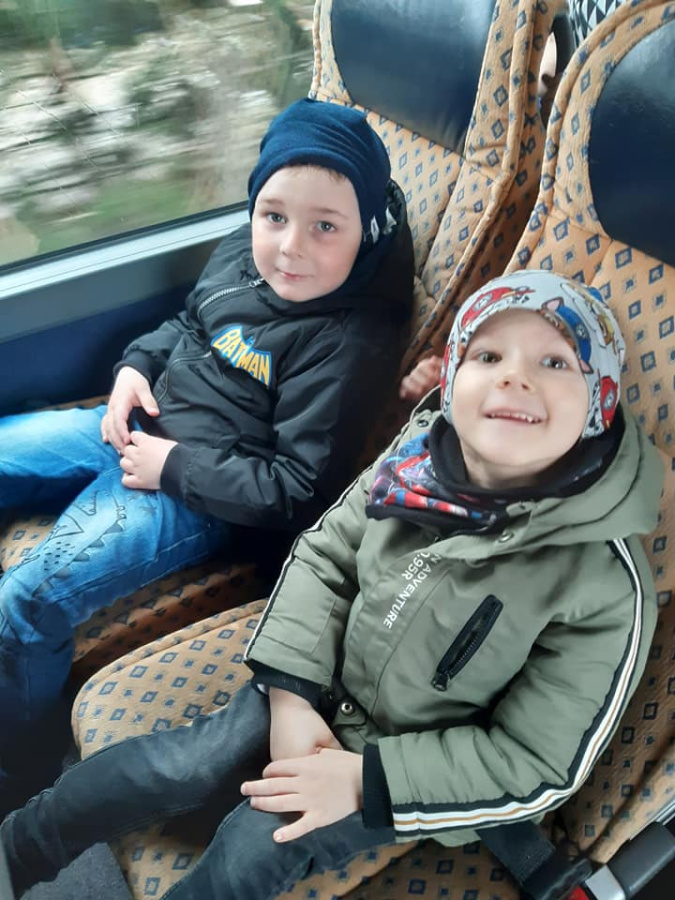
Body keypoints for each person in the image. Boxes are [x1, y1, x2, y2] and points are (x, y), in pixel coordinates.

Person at [1, 270, 663, 899]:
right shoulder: (417, 458)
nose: (513, 377)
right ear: (452, 380)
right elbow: (325, 556)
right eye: (487, 356)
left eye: (554, 362)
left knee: (256, 845)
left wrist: (363, 780)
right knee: (181, 765)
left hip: (406, 763)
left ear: (599, 402)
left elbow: (535, 763)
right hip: (318, 677)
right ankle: (17, 849)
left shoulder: (602, 584)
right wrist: (292, 695)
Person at [0, 97, 414, 809]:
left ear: (365, 230)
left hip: (195, 489)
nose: (290, 247)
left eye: (324, 227)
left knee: (33, 596)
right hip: (135, 418)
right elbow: (187, 325)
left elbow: (298, 488)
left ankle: (21, 762)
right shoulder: (244, 251)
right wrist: (134, 368)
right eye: (273, 216)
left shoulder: (348, 341)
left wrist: (172, 468)